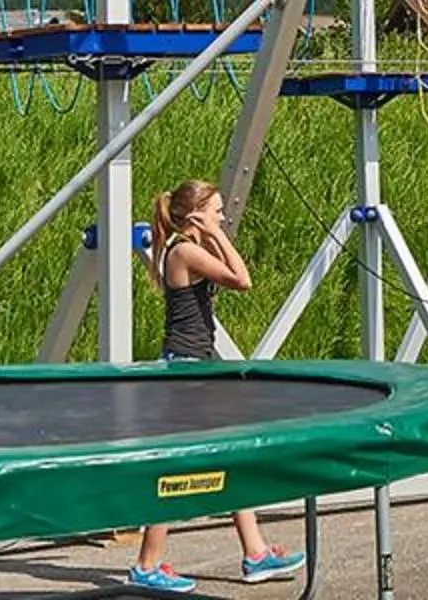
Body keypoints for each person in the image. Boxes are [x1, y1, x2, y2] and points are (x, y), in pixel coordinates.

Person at [131, 179, 306, 592]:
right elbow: (242, 279)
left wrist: (211, 232)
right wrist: (213, 234)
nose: (223, 218)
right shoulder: (184, 251)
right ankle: (146, 564)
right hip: (188, 371)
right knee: (178, 467)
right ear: (196, 217)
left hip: (199, 366)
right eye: (216, 211)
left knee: (230, 455)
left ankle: (255, 552)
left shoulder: (188, 248)